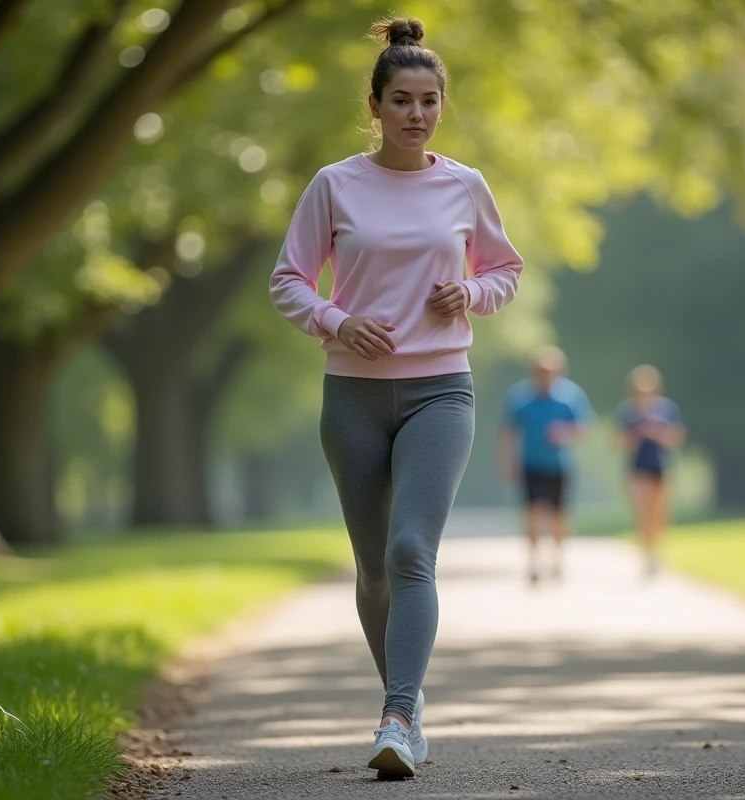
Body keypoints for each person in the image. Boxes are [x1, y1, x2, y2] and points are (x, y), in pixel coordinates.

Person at [268, 17, 523, 779]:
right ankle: (403, 708)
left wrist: (471, 291)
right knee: (374, 569)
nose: (416, 114)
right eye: (402, 100)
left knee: (411, 550)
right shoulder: (335, 184)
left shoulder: (465, 186)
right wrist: (337, 321)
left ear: (442, 106)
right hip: (351, 396)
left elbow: (507, 269)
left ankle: (399, 716)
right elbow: (287, 279)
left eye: (429, 100)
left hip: (442, 391)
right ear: (374, 106)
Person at [499, 346, 594, 584]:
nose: (546, 376)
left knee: (559, 515)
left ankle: (558, 560)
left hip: (560, 465)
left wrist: (566, 432)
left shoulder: (571, 396)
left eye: (551, 371)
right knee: (533, 512)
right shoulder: (521, 396)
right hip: (531, 464)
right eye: (541, 371)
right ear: (533, 372)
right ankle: (534, 562)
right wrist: (508, 462)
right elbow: (507, 432)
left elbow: (586, 429)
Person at [617, 365, 685, 577]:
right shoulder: (628, 411)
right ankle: (646, 554)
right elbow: (620, 442)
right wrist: (637, 434)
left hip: (661, 465)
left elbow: (677, 437)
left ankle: (657, 551)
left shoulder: (666, 409)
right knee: (643, 511)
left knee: (659, 513)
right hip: (638, 467)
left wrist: (656, 432)